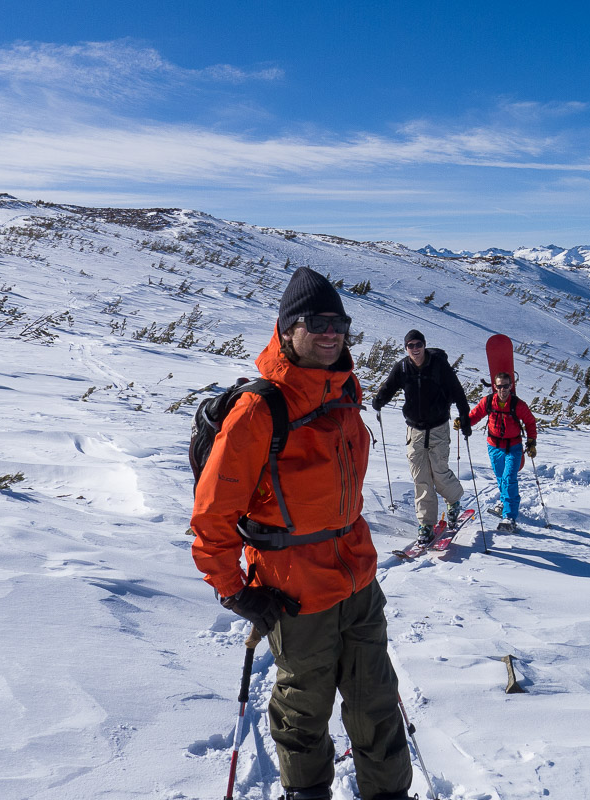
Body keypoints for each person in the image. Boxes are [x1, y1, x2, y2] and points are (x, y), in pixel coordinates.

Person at [191, 267, 413, 800]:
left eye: (339, 322)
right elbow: (212, 516)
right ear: (288, 329)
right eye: (316, 322)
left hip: (358, 581)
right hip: (296, 593)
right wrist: (235, 590)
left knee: (377, 704)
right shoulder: (259, 410)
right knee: (303, 717)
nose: (330, 331)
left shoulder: (345, 391)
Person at [371, 329, 471, 544]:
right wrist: (379, 401)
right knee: (420, 477)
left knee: (439, 472)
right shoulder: (403, 367)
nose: (415, 349)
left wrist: (465, 417)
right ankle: (426, 524)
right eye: (411, 346)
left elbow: (457, 391)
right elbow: (389, 387)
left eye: (418, 344)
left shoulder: (439, 365)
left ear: (424, 345)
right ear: (406, 348)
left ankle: (453, 500)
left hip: (438, 428)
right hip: (414, 430)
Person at [460, 371, 537, 530]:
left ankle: (509, 517)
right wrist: (463, 423)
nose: (503, 390)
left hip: (513, 447)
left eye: (506, 386)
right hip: (494, 447)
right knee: (501, 478)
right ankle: (505, 503)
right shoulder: (488, 401)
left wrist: (531, 442)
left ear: (511, 386)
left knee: (509, 478)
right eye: (500, 386)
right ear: (494, 387)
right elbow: (475, 416)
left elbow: (530, 422)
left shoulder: (518, 404)